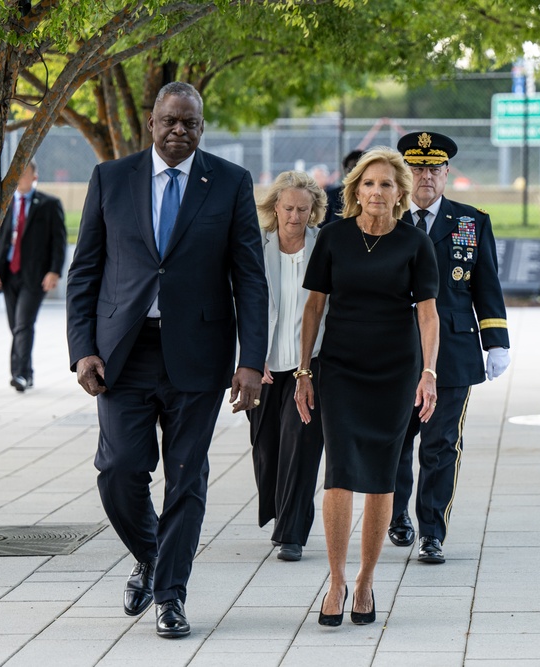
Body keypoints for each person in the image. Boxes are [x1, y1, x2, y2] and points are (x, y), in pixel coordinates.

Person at [66, 82, 267, 638]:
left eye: (191, 124)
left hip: (199, 356)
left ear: (202, 127)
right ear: (152, 123)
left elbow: (249, 277)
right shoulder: (112, 178)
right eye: (170, 121)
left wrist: (252, 361)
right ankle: (152, 556)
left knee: (186, 477)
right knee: (119, 470)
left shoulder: (229, 182)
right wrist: (82, 349)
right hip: (121, 354)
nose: (180, 131)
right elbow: (85, 271)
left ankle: (171, 595)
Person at [295, 146, 439, 627]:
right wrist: (303, 371)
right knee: (338, 471)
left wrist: (429, 373)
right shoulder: (333, 238)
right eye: (369, 183)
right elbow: (314, 308)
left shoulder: (415, 244)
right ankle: (335, 581)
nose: (377, 192)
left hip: (395, 371)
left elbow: (428, 313)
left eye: (387, 184)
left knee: (380, 475)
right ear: (355, 190)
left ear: (400, 193)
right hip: (340, 369)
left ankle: (365, 582)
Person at [389, 131, 511, 564]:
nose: (425, 176)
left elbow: (487, 286)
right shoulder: (384, 217)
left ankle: (432, 531)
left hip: (454, 352)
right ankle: (396, 514)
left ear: (447, 174)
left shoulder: (471, 222)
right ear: (405, 173)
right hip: (394, 351)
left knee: (441, 444)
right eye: (417, 168)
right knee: (396, 441)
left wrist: (496, 341)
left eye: (434, 168)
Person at [249, 170, 327, 562]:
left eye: (303, 209)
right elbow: (238, 307)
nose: (295, 217)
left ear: (314, 211)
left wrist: (310, 366)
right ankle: (282, 513)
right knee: (266, 451)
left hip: (310, 366)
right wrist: (249, 359)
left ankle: (292, 533)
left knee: (301, 445)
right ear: (275, 208)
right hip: (264, 368)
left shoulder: (323, 246)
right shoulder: (255, 247)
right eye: (289, 208)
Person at [0, 160, 66, 392]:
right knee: (16, 326)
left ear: (34, 176)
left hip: (35, 275)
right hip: (7, 273)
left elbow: (59, 241)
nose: (20, 178)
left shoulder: (49, 204)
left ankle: (19, 374)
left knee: (23, 323)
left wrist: (55, 270)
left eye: (24, 173)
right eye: (16, 174)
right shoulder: (3, 204)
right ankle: (27, 373)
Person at [324, 150, 363, 223]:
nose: (356, 174)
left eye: (360, 170)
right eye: (352, 170)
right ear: (345, 170)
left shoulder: (373, 196)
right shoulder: (331, 196)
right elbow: (320, 227)